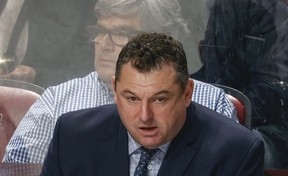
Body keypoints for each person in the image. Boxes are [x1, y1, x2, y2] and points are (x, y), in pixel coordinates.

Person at [25, 32, 264, 176]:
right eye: (132, 98)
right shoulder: (72, 136)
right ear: (115, 91)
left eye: (160, 99)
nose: (144, 115)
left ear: (187, 93)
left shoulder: (236, 152)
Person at [3, 0, 237, 164]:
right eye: (100, 31)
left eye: (122, 33)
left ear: (162, 39)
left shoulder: (210, 103)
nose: (104, 43)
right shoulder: (56, 104)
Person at [190, 0, 288, 168]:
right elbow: (212, 69)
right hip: (218, 122)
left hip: (268, 130)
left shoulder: (266, 8)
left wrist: (216, 110)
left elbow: (271, 90)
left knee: (216, 151)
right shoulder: (218, 7)